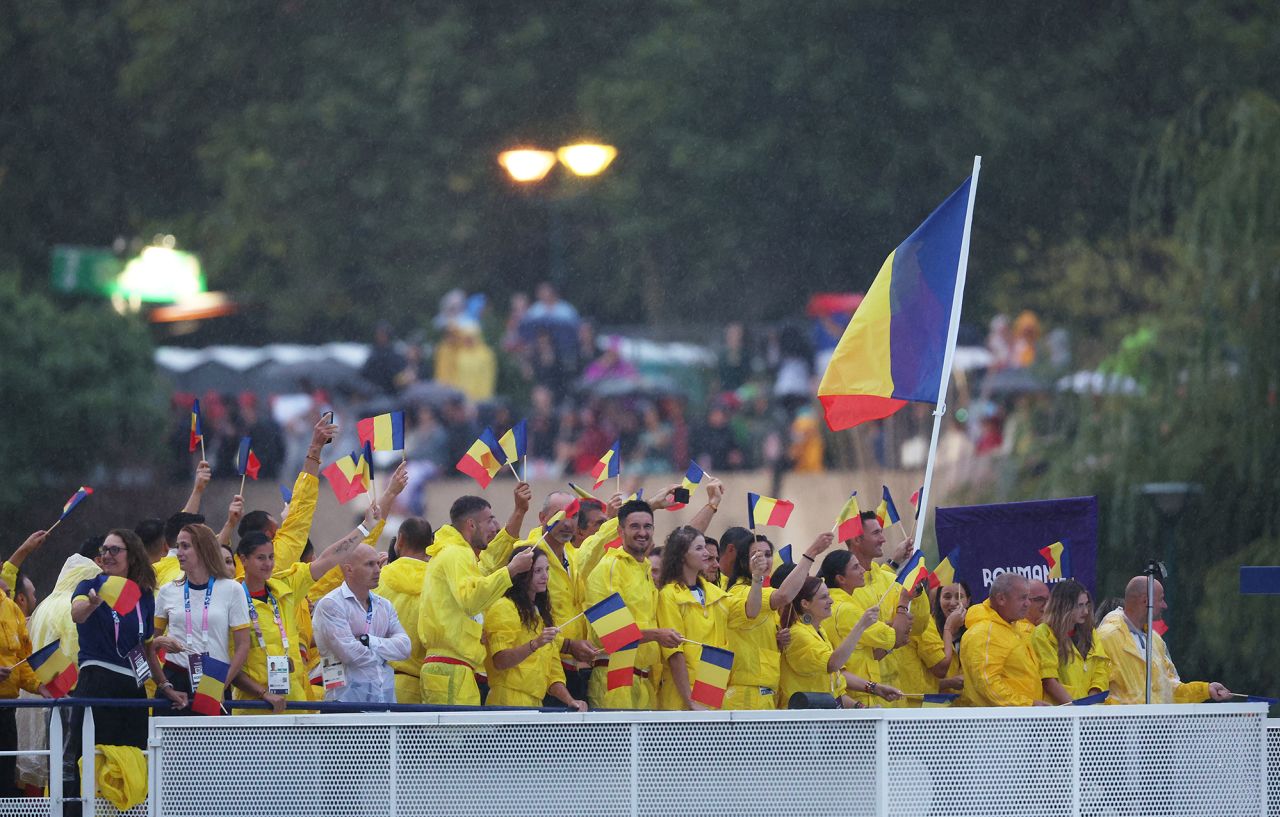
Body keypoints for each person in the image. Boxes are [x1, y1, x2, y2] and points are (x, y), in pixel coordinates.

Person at [233, 504, 385, 711]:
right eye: (260, 558)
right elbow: (229, 663)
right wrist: (263, 694)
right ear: (243, 560)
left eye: (271, 558)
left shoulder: (285, 586)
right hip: (253, 709)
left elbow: (329, 558)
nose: (268, 564)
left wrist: (366, 527)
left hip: (294, 703)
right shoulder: (231, 598)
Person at [584, 484, 722, 709]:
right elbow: (613, 635)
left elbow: (685, 547)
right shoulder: (608, 568)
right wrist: (657, 635)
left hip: (648, 682)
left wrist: (713, 504)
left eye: (648, 526)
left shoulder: (647, 570)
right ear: (620, 532)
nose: (642, 532)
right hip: (616, 678)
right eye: (634, 526)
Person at [69, 531, 185, 798]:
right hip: (97, 681)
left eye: (115, 550)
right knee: (93, 761)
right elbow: (77, 613)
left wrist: (165, 686)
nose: (107, 555)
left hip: (132, 686)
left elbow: (145, 648)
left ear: (132, 556)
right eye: (104, 549)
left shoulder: (144, 596)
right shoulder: (89, 584)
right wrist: (91, 605)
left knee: (133, 764)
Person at [420, 495, 535, 705]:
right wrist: (511, 570)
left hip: (452, 668)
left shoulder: (454, 553)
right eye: (490, 520)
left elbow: (488, 567)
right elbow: (471, 599)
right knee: (457, 738)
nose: (496, 525)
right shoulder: (457, 553)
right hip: (452, 667)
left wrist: (519, 512)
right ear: (471, 524)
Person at [720, 528, 829, 710]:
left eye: (768, 554)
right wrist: (811, 553)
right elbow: (783, 596)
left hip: (768, 693)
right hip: (745, 696)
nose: (764, 559)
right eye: (756, 555)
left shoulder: (760, 591)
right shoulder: (739, 591)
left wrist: (776, 640)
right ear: (742, 561)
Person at [154, 524, 251, 713]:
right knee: (171, 742)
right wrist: (164, 683)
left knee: (214, 742)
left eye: (185, 546)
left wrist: (221, 685)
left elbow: (243, 646)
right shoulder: (167, 591)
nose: (179, 552)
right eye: (178, 546)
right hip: (176, 677)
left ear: (203, 548)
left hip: (215, 677)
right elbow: (149, 643)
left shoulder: (232, 589)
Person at [1095, 576, 1232, 704]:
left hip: (1154, 727)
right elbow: (1095, 693)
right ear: (1145, 601)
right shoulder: (1106, 637)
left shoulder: (1156, 641)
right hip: (1118, 728)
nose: (1164, 605)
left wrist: (1206, 690)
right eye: (1161, 599)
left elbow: (1169, 690)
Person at [484, 549, 587, 710]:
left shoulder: (541, 616)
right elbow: (500, 660)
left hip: (535, 705)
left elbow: (553, 674)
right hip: (506, 703)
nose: (545, 576)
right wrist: (534, 644)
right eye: (537, 571)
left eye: (547, 570)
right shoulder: (504, 607)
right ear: (522, 574)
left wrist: (570, 701)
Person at [313, 543, 411, 704]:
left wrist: (367, 640)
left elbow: (405, 647)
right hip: (344, 704)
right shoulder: (331, 604)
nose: (378, 570)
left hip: (384, 703)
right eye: (369, 564)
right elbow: (350, 654)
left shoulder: (384, 605)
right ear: (349, 569)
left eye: (378, 563)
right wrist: (386, 655)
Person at [842, 512, 919, 705]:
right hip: (863, 698)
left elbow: (916, 625)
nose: (883, 539)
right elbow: (881, 645)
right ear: (858, 539)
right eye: (876, 533)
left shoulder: (889, 579)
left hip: (895, 692)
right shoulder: (844, 592)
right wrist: (894, 630)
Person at [655, 526, 729, 710]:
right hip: (682, 699)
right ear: (681, 556)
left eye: (705, 547)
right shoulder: (669, 595)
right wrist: (690, 700)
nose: (706, 553)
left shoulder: (716, 594)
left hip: (712, 691)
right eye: (699, 549)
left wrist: (758, 577)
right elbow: (674, 653)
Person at [818, 549, 905, 706]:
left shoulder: (832, 605)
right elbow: (893, 637)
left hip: (855, 692)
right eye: (855, 567)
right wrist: (904, 603)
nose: (863, 570)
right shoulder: (846, 609)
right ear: (841, 578)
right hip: (858, 696)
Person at [780, 577, 880, 708]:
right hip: (802, 721)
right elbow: (832, 664)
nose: (831, 601)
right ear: (805, 604)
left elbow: (835, 693)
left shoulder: (819, 630)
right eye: (824, 597)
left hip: (819, 718)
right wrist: (860, 626)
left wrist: (862, 709)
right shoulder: (797, 634)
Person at [959, 573, 1046, 707]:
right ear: (1001, 599)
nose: (1028, 604)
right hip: (998, 724)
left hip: (1020, 720)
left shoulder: (1010, 627)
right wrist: (1028, 705)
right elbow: (988, 684)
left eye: (1028, 598)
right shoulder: (985, 633)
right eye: (1023, 598)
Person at [376, 517, 434, 703]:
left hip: (378, 683)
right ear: (431, 544)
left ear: (399, 540)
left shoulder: (378, 577)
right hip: (417, 686)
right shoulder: (436, 582)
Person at [1032, 579, 1110, 704]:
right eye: (1079, 605)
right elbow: (1049, 680)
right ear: (1063, 606)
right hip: (1062, 715)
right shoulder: (1044, 633)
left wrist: (1091, 703)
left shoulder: (1090, 632)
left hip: (1090, 713)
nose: (1085, 611)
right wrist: (1075, 710)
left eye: (1087, 604)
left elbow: (1101, 670)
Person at [929, 582, 970, 691]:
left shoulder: (976, 629)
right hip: (937, 704)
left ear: (968, 601)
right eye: (947, 597)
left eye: (959, 597)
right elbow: (920, 682)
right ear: (939, 600)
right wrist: (947, 683)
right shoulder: (928, 629)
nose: (952, 603)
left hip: (969, 705)